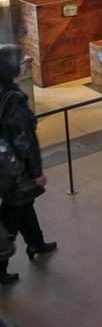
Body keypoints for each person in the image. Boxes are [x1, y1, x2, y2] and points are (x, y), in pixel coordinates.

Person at [0, 44, 55, 285]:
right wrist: (36, 172)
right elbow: (23, 141)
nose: (26, 65)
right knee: (12, 215)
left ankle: (36, 242)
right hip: (17, 169)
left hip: (7, 168)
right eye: (23, 62)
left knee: (24, 203)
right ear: (13, 68)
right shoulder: (14, 100)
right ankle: (0, 267)